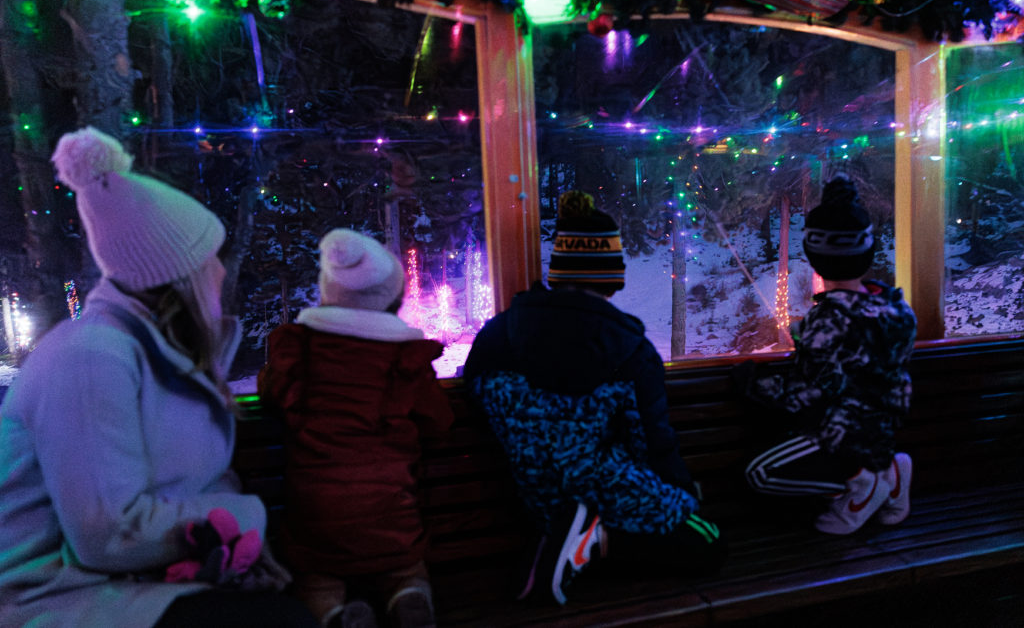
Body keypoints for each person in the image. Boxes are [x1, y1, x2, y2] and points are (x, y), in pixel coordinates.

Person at [0, 127, 317, 627]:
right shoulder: (91, 358)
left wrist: (232, 547)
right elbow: (107, 533)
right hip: (57, 599)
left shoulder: (152, 353)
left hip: (129, 586)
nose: (220, 270)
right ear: (181, 276)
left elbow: (185, 485)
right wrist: (248, 516)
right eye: (209, 256)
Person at [462, 190, 726, 606]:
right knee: (708, 540)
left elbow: (477, 398)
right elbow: (652, 443)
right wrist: (682, 492)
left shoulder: (498, 335)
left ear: (559, 269)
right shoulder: (630, 350)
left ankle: (569, 546)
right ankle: (593, 541)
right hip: (602, 490)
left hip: (531, 497)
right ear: (612, 274)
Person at [258, 229, 454, 628]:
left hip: (316, 513)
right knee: (406, 566)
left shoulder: (301, 350)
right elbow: (440, 422)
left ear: (328, 292)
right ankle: (409, 595)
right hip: (391, 512)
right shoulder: (403, 360)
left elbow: (272, 395)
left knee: (316, 577)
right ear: (392, 297)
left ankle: (331, 612)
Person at [737, 174, 917, 535]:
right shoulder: (897, 312)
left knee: (760, 471)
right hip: (880, 432)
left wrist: (753, 383)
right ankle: (891, 474)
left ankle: (861, 484)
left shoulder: (828, 321)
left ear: (815, 256)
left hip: (841, 437)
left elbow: (807, 395)